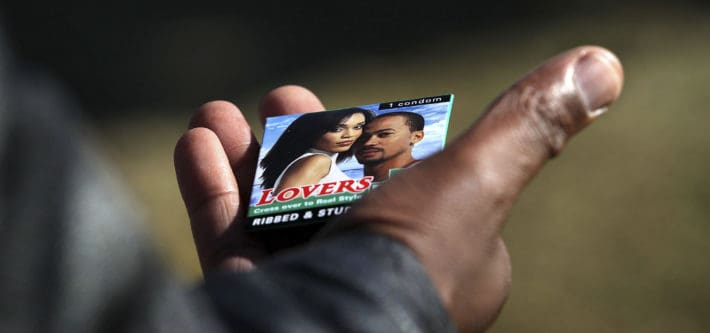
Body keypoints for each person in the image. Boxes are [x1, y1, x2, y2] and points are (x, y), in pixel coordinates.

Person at [176, 46, 624, 332]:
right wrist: (402, 286)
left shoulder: (368, 182)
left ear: (414, 137)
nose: (363, 138)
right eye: (356, 131)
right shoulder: (318, 165)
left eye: (372, 131)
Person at [259, 107, 375, 193]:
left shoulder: (317, 160)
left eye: (358, 127)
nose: (349, 135)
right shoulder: (317, 161)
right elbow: (284, 209)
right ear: (311, 131)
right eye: (337, 128)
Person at [354, 111, 425, 182]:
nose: (368, 143)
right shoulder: (350, 186)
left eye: (384, 134)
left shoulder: (428, 176)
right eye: (362, 137)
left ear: (416, 137)